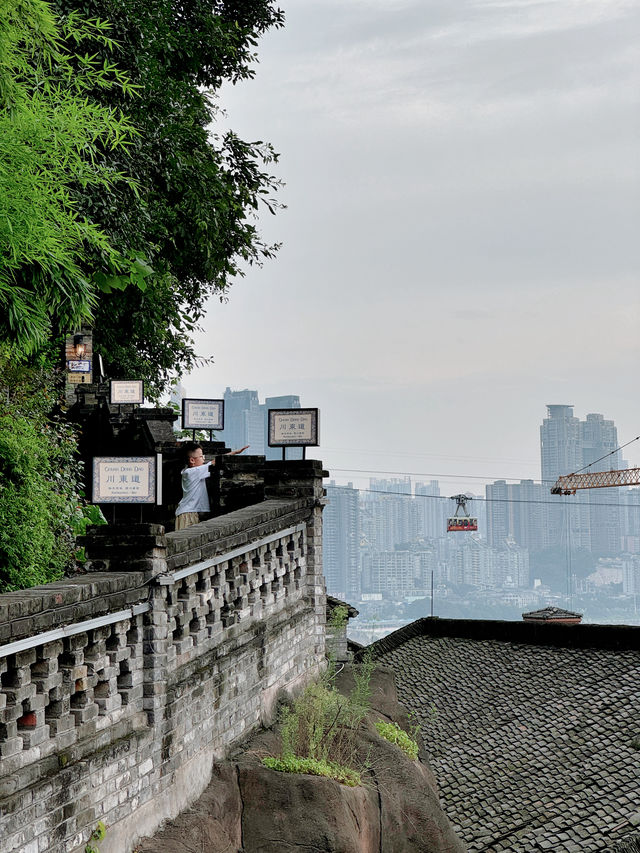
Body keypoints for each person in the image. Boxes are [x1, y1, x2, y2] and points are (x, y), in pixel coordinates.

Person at [175, 442, 249, 531]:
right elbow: (215, 462)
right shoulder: (193, 472)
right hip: (188, 514)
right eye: (201, 456)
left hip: (189, 512)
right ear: (192, 460)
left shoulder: (191, 471)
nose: (203, 459)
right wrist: (235, 452)